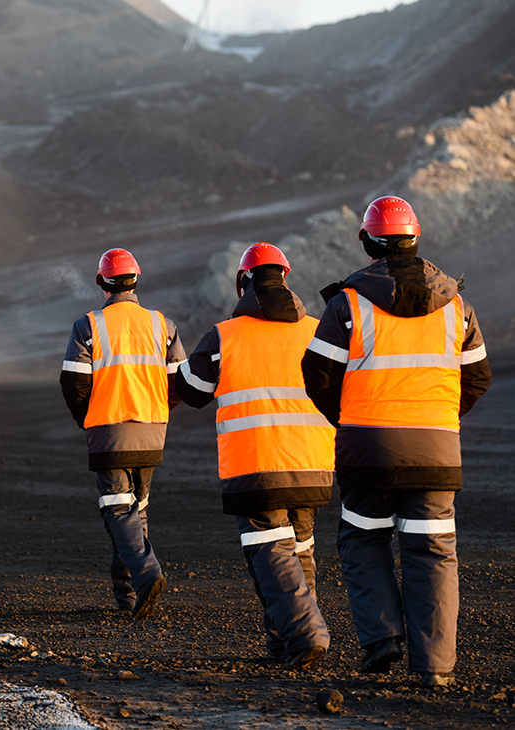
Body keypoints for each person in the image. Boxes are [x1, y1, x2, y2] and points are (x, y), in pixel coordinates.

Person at [302, 196, 491, 687]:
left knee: (364, 538)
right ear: (416, 237)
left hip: (367, 450)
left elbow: (317, 376)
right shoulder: (457, 307)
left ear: (366, 242)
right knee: (432, 551)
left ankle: (382, 638)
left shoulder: (348, 304)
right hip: (437, 451)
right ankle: (435, 667)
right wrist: (440, 419)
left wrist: (347, 422)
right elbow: (478, 378)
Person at [175, 243, 335, 671]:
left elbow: (190, 390)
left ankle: (305, 633)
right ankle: (285, 641)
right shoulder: (318, 329)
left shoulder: (225, 335)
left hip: (257, 464)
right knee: (300, 547)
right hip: (313, 461)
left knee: (268, 547)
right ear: (285, 278)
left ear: (243, 282)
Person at [60, 248, 185, 619]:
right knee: (135, 511)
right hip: (151, 430)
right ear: (136, 280)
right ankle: (128, 595)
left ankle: (146, 575)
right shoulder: (163, 324)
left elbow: (73, 383)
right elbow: (179, 381)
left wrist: (89, 418)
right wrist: (158, 411)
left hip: (109, 429)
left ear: (102, 282)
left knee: (117, 508)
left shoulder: (89, 325)